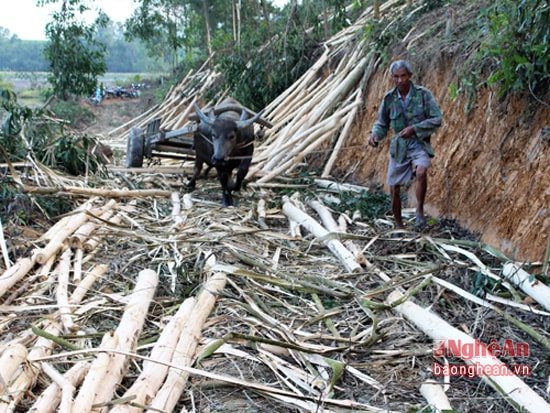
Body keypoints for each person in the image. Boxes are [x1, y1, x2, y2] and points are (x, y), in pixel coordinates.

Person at [368, 60, 442, 232]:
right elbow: (382, 124)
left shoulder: (423, 95)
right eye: (396, 77)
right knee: (393, 187)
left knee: (421, 171)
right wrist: (375, 135)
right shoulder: (389, 99)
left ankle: (419, 210)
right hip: (399, 147)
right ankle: (399, 226)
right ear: (392, 78)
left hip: (419, 143)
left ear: (409, 76)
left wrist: (415, 129)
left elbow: (436, 119)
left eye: (403, 76)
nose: (400, 80)